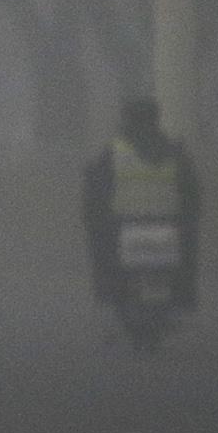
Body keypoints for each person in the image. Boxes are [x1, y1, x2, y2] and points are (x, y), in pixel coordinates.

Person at [79, 92, 203, 323]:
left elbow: (95, 193)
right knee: (187, 253)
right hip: (169, 225)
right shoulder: (175, 152)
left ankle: (110, 294)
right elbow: (192, 193)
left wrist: (93, 218)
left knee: (104, 254)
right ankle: (182, 297)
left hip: (123, 225)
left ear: (126, 119)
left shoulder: (114, 152)